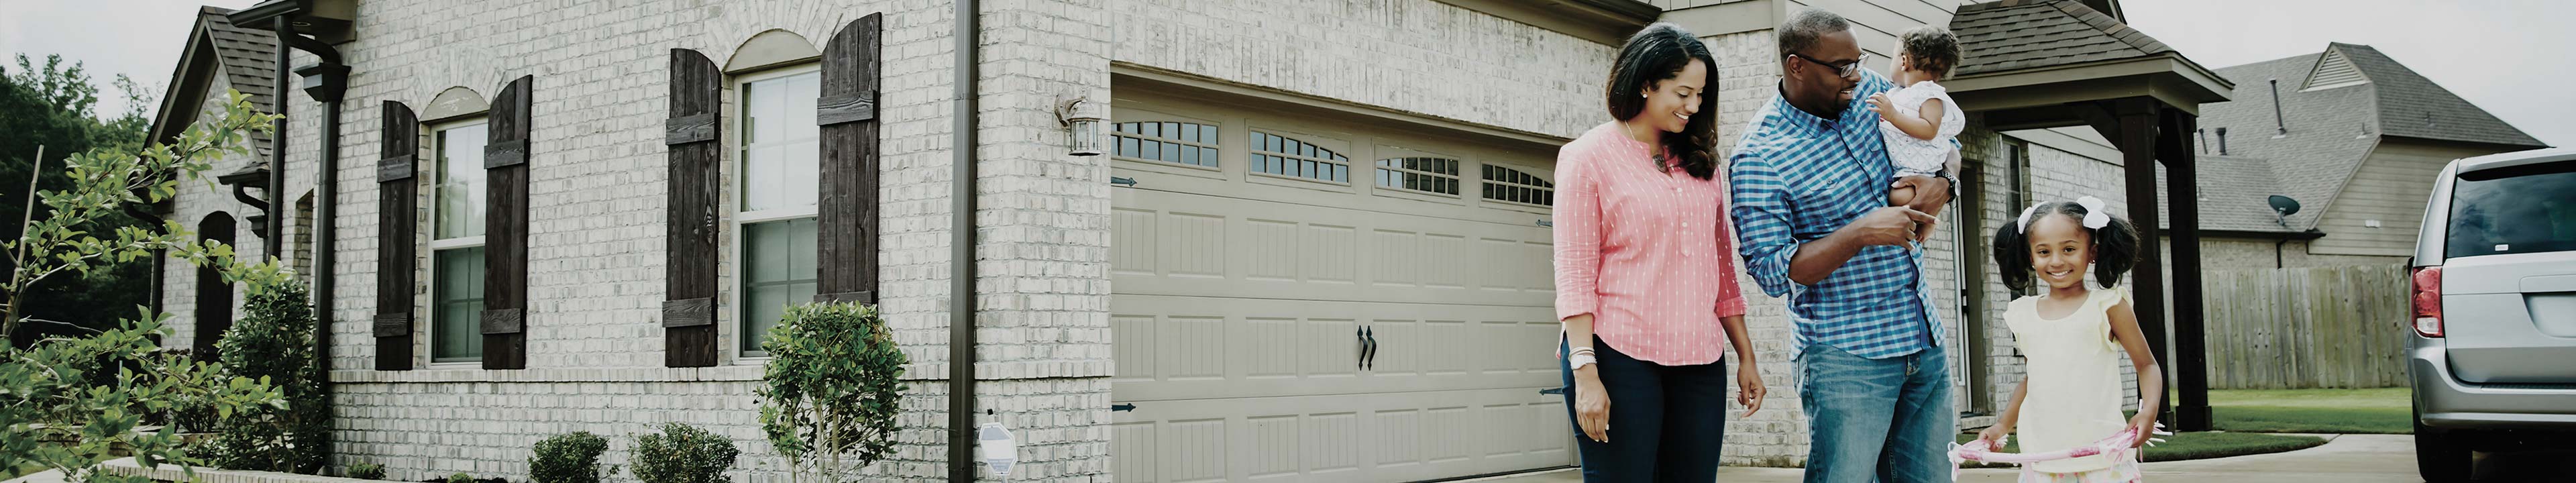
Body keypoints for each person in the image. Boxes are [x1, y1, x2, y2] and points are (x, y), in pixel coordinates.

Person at [1726, 8, 1960, 482]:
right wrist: (1860, 232)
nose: (1855, 76)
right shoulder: (1759, 156)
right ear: (1796, 66)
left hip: (1922, 338)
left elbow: (1944, 141)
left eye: (1858, 61)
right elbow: (1774, 271)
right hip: (1846, 357)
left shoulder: (1872, 90)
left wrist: (1946, 183)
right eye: (1841, 68)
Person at [1552, 21, 1764, 482]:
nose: (1693, 106)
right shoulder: (1587, 157)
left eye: (1701, 95)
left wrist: (1745, 354)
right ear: (1646, 84)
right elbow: (1574, 273)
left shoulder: (1701, 163)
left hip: (1701, 360)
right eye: (1683, 92)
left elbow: (1723, 270)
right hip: (1619, 354)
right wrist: (1585, 371)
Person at [1978, 197, 2165, 483]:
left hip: (2103, 456)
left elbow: (2147, 365)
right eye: (2044, 251)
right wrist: (2003, 425)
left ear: (2092, 252)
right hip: (2043, 458)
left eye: (2069, 249)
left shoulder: (2109, 305)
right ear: (2031, 257)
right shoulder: (2023, 313)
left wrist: (2148, 411)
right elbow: (2033, 378)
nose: (2056, 261)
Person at [1865, 25, 1966, 242]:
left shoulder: (1930, 96)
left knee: (1897, 196)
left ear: (1904, 61)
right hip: (1907, 166)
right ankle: (1926, 221)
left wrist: (1892, 115)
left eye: (1893, 57)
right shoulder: (1900, 94)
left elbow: (1929, 130)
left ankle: (1928, 221)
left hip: (1921, 168)